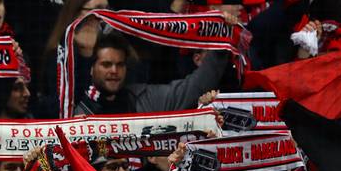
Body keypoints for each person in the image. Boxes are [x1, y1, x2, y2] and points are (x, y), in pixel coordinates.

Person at [74, 32, 229, 115]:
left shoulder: (143, 97)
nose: (114, 71)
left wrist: (221, 44)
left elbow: (193, 87)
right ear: (92, 68)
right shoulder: (76, 109)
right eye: (106, 64)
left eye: (120, 64)